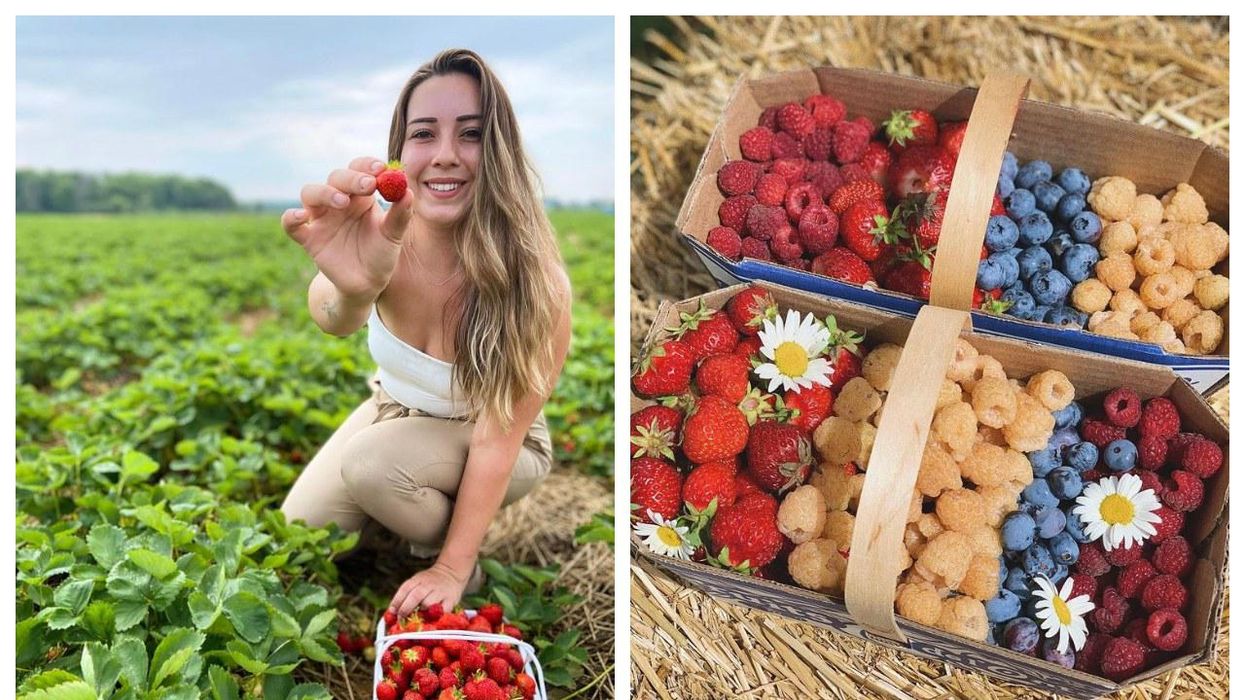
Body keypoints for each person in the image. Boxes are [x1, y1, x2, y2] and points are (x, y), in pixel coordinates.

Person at [278, 48, 571, 618]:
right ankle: (398, 513)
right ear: (400, 151)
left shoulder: (537, 283)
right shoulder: (380, 241)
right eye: (423, 134)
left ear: (500, 150)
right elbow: (334, 315)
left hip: (497, 439)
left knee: (372, 468)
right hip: (396, 410)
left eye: (470, 134)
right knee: (300, 537)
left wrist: (451, 567)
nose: (444, 156)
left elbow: (495, 441)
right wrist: (358, 290)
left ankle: (448, 545)